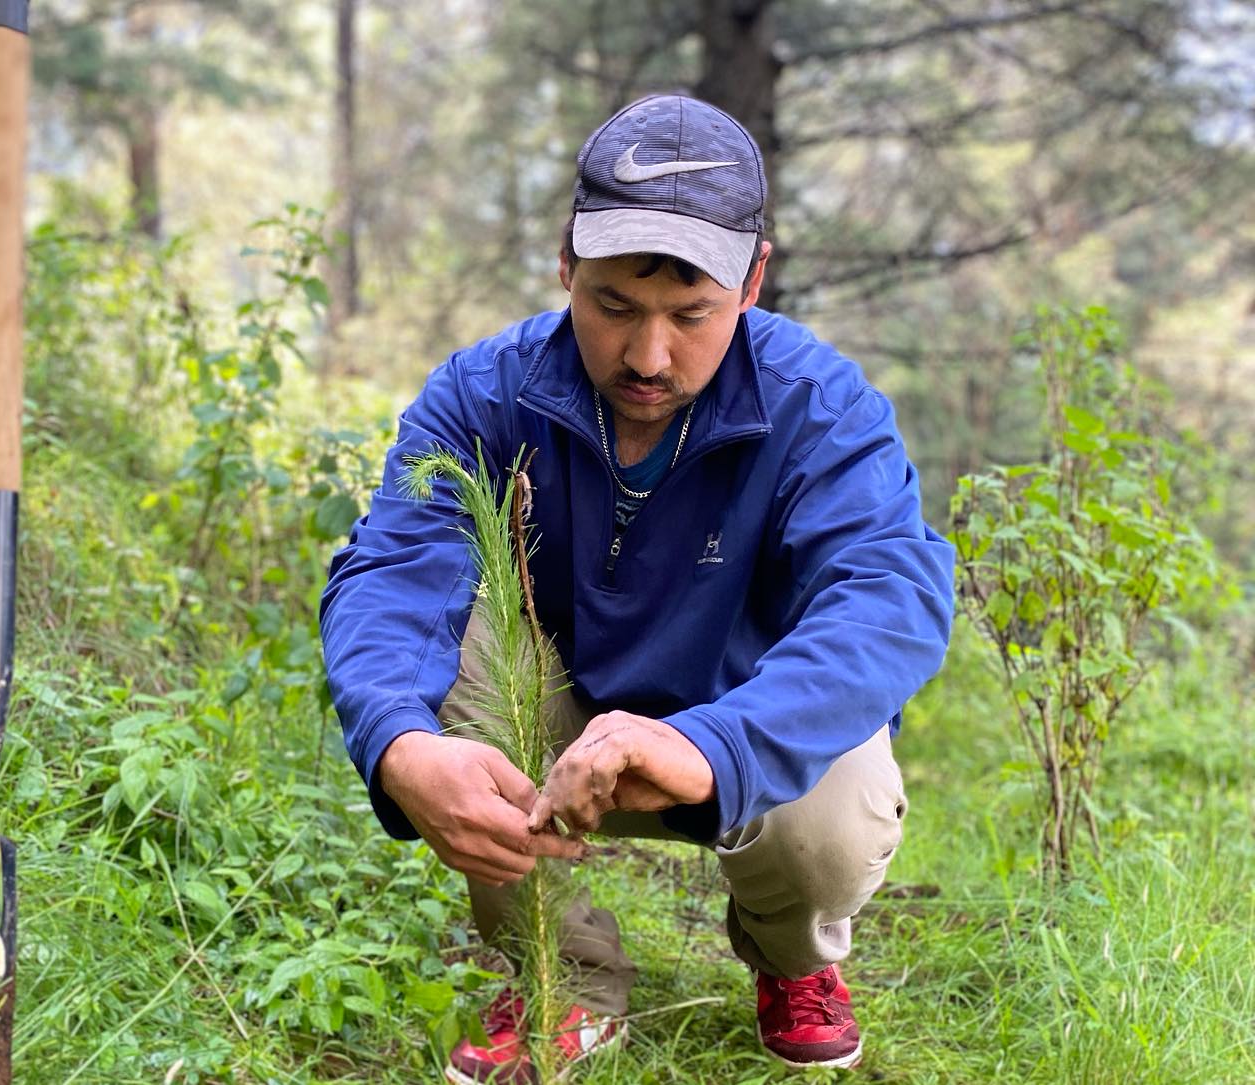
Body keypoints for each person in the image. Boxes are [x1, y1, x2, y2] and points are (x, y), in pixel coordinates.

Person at [320, 94, 954, 1081]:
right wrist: (396, 742)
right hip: (559, 717)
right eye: (613, 306)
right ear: (566, 265)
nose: (647, 356)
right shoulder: (485, 392)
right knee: (441, 668)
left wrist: (712, 743)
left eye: (689, 314)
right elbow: (394, 571)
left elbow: (891, 599)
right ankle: (556, 972)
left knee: (846, 804)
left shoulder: (820, 407)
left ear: (752, 282)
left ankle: (791, 957)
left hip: (741, 720)